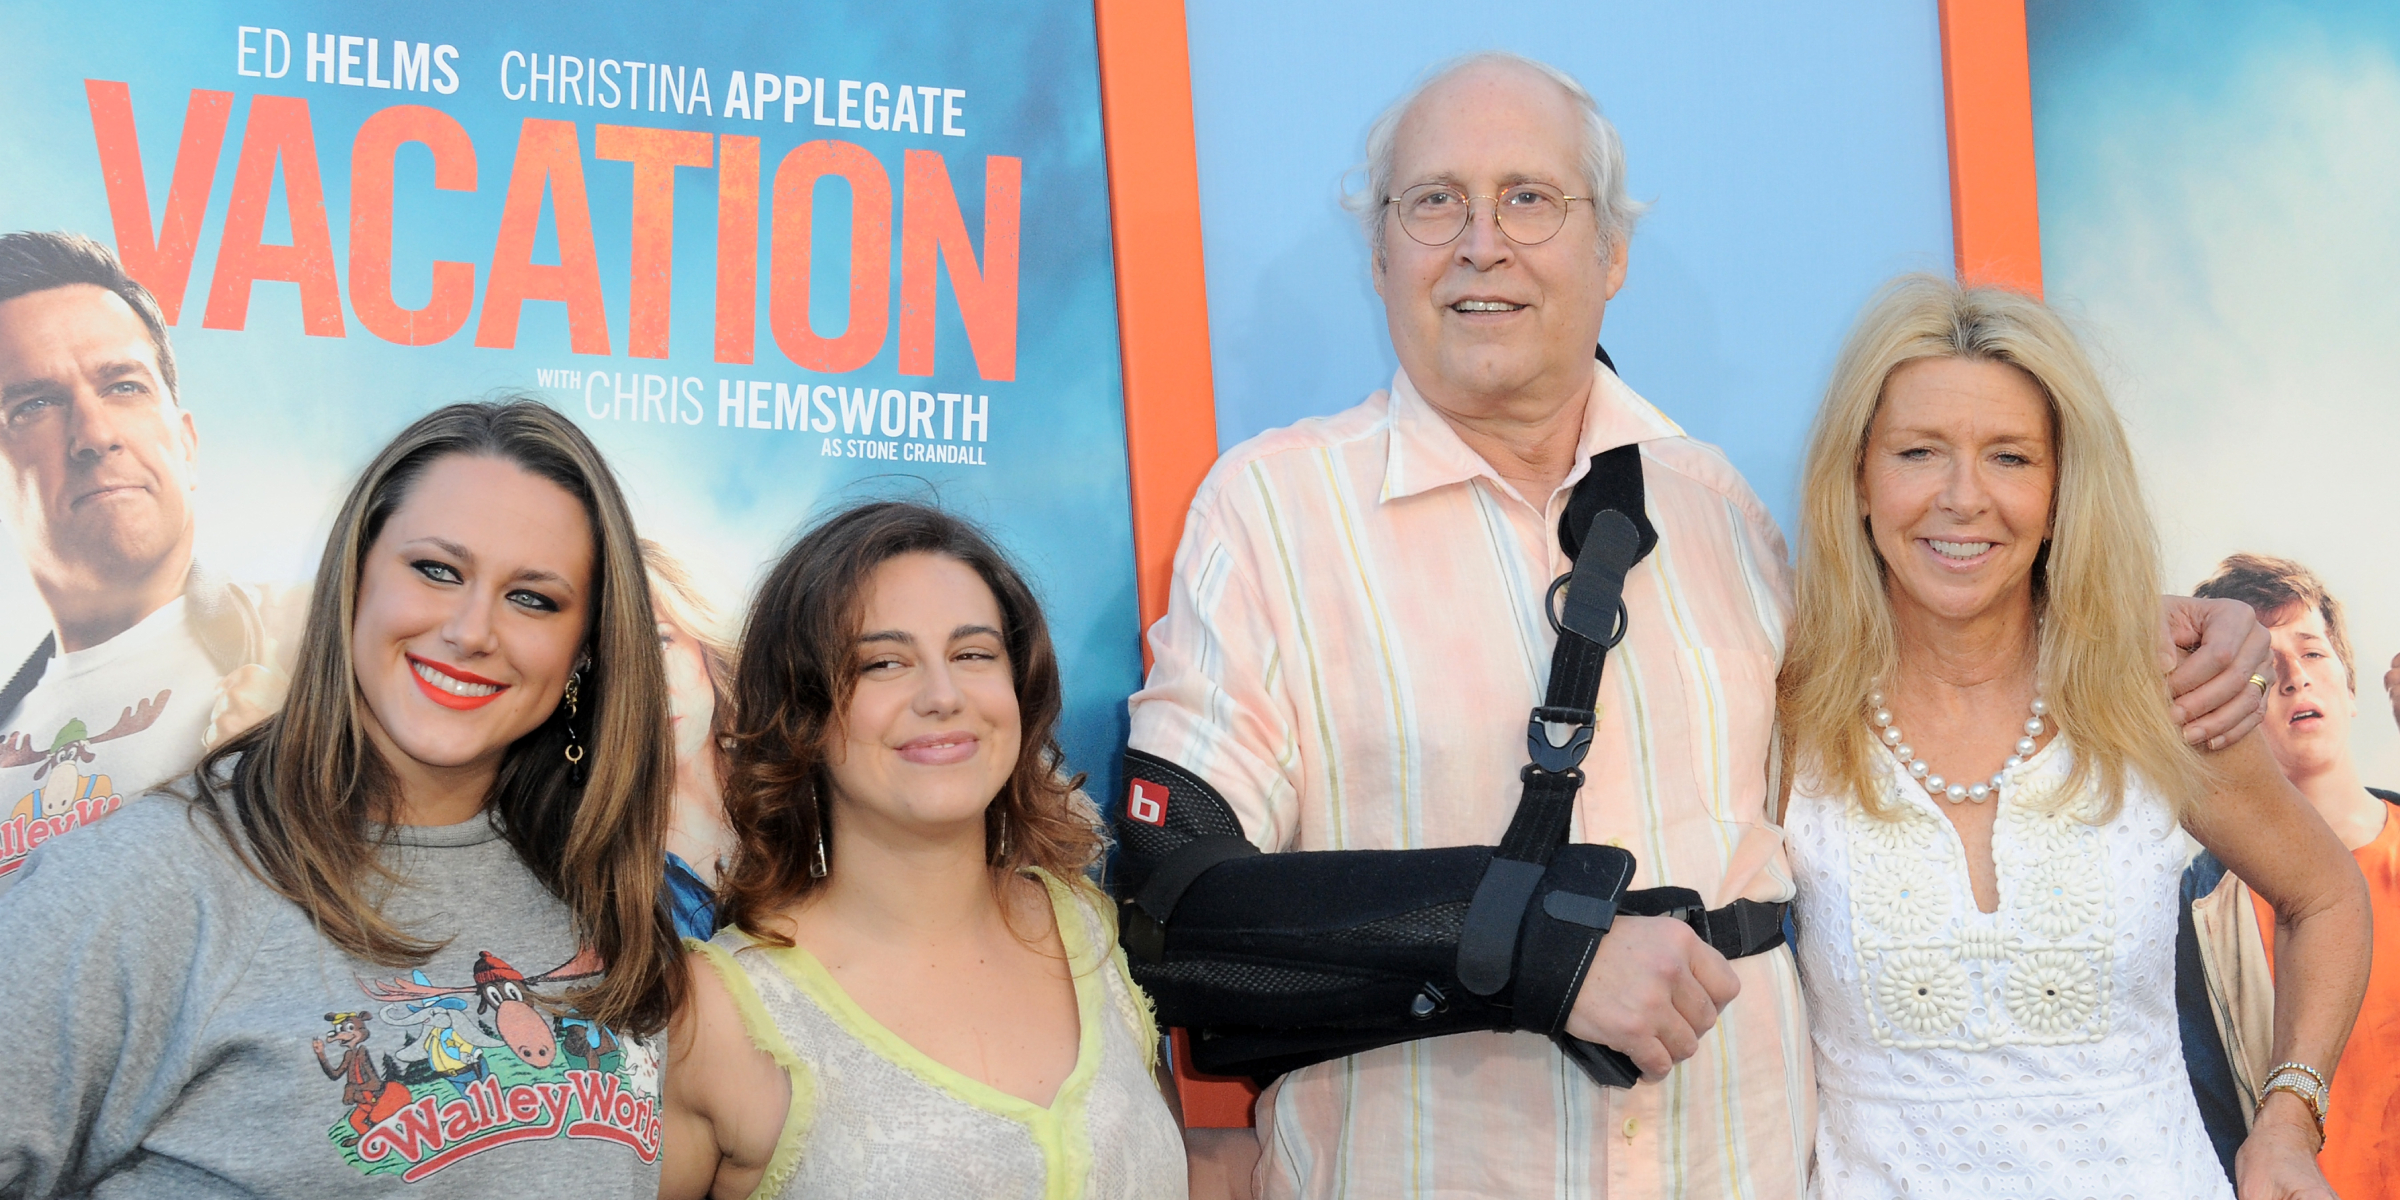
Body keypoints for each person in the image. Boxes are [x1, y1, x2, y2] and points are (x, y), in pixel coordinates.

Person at [1120, 51, 2275, 1199]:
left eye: (1531, 198)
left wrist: (2164, 625)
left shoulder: (1720, 514)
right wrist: (1533, 946)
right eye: (1434, 202)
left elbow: (1942, 654)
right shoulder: (1267, 512)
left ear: (1613, 251)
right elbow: (1178, 906)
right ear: (1378, 251)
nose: (1483, 242)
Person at [0, 400, 685, 1196]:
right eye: (436, 569)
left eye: (533, 598)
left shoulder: (608, 899)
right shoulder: (147, 884)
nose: (471, 630)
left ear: (585, 652)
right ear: (353, 580)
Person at [1778, 277, 2368, 1199]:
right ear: (1858, 477)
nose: (1963, 498)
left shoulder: (2157, 692)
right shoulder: (1782, 711)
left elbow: (2328, 897)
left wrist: (2286, 1123)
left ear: (2060, 492)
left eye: (2010, 458)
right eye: (1920, 451)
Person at [660, 501, 1187, 1199]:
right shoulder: (718, 1015)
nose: (943, 695)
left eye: (973, 654)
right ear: (804, 713)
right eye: (883, 662)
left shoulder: (1090, 928)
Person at [0, 231, 303, 883]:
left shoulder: (320, 661)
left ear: (187, 443)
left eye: (124, 387)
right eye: (35, 405)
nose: (96, 434)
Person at [2179, 554, 2400, 1196]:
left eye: (2313, 653)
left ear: (2353, 691)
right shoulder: (2197, 908)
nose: (2294, 679)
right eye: (2264, 669)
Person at [644, 539, 737, 938]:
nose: (649, 681)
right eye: (619, 657)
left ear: (704, 645)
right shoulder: (594, 854)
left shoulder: (808, 792)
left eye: (662, 640)